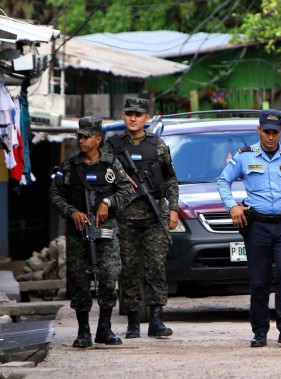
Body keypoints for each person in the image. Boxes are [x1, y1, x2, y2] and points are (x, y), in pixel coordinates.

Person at [217, 109, 281, 347]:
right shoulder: (245, 156)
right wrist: (232, 207)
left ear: (280, 132)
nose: (271, 136)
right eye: (266, 132)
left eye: (275, 132)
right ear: (259, 130)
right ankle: (260, 330)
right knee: (259, 279)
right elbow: (223, 181)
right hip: (257, 226)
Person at [49, 116, 132, 348]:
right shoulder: (68, 166)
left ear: (98, 139)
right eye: (80, 136)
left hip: (105, 233)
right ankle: (83, 331)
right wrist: (71, 211)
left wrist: (108, 202)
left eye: (86, 137)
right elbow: (54, 195)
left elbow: (127, 191)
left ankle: (104, 329)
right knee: (79, 281)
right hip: (78, 234)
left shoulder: (111, 164)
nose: (82, 141)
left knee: (108, 278)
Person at [103, 98, 179, 338]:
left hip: (154, 215)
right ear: (123, 116)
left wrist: (174, 209)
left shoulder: (158, 145)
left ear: (147, 118)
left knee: (156, 267)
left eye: (138, 114)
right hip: (124, 217)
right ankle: (133, 322)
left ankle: (156, 319)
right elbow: (101, 176)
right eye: (128, 114)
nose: (133, 118)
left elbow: (170, 179)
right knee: (129, 270)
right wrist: (120, 175)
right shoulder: (112, 146)